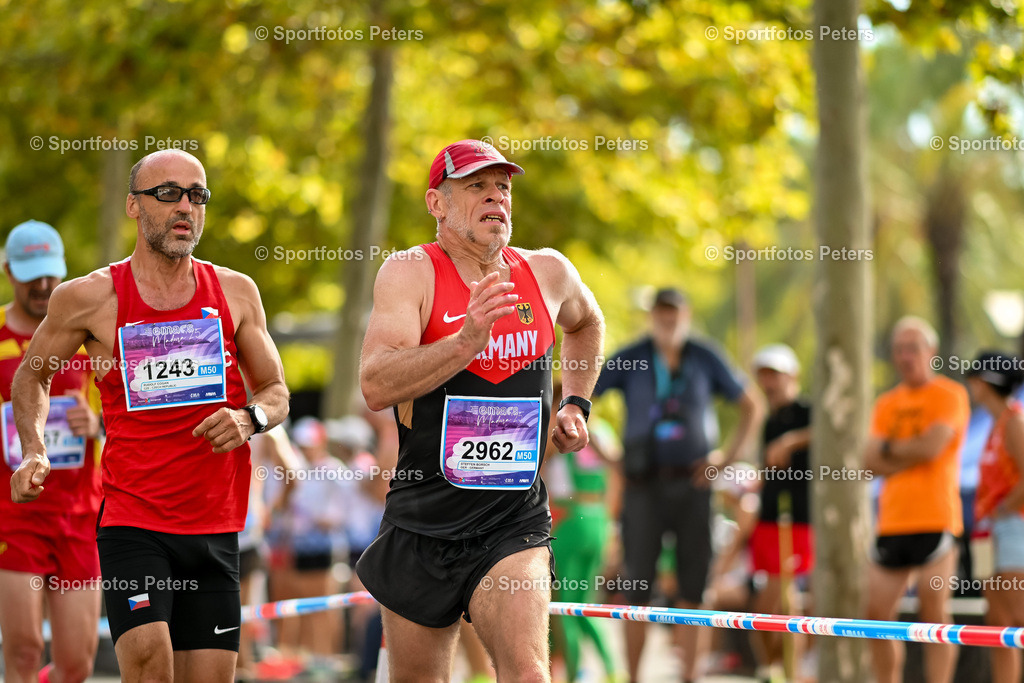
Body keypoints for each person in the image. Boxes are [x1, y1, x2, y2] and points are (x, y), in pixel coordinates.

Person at [10, 150, 290, 683]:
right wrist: (36, 449)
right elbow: (32, 375)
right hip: (133, 522)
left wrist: (249, 418)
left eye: (197, 195)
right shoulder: (89, 298)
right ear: (133, 206)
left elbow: (275, 389)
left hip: (216, 525)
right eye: (168, 194)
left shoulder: (236, 292)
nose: (185, 206)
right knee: (149, 668)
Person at [356, 139, 605, 683]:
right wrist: (466, 340)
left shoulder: (547, 272)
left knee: (528, 673)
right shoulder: (410, 273)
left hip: (511, 521)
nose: (496, 197)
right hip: (423, 520)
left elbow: (586, 323)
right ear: (436, 203)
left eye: (503, 187)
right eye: (476, 186)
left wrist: (575, 403)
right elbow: (375, 383)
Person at [592, 286, 763, 683]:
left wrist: (725, 457)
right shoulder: (632, 357)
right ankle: (634, 678)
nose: (668, 320)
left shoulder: (705, 356)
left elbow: (751, 405)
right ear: (652, 315)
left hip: (694, 486)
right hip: (641, 485)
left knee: (695, 588)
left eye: (674, 313)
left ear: (685, 315)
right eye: (661, 313)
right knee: (636, 588)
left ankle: (689, 677)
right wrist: (608, 456)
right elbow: (581, 395)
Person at [0, 221, 103, 683]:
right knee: (22, 654)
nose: (43, 286)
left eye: (50, 274)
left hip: (80, 516)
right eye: (31, 274)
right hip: (14, 516)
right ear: (8, 272)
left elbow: (127, 419)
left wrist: (96, 424)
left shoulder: (88, 337)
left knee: (78, 665)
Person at [863, 316, 969, 683]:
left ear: (932, 352)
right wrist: (907, 452)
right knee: (875, 616)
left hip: (937, 521)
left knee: (934, 617)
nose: (907, 357)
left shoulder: (950, 394)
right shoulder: (885, 403)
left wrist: (891, 454)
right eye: (900, 350)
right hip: (891, 523)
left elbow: (933, 447)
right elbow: (867, 461)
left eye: (914, 348)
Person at [748, 344, 813, 683]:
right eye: (764, 375)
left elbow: (832, 430)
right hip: (769, 519)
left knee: (787, 602)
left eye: (775, 374)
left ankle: (789, 671)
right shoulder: (769, 419)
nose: (769, 382)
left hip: (798, 521)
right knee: (765, 606)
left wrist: (791, 441)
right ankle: (773, 668)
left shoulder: (806, 411)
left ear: (792, 376)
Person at [966, 351, 1024, 683]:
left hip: (1012, 525)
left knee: (1017, 616)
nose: (970, 382)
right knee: (998, 622)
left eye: (976, 377)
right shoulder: (997, 423)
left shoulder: (1014, 421)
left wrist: (1001, 509)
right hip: (990, 530)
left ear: (988, 382)